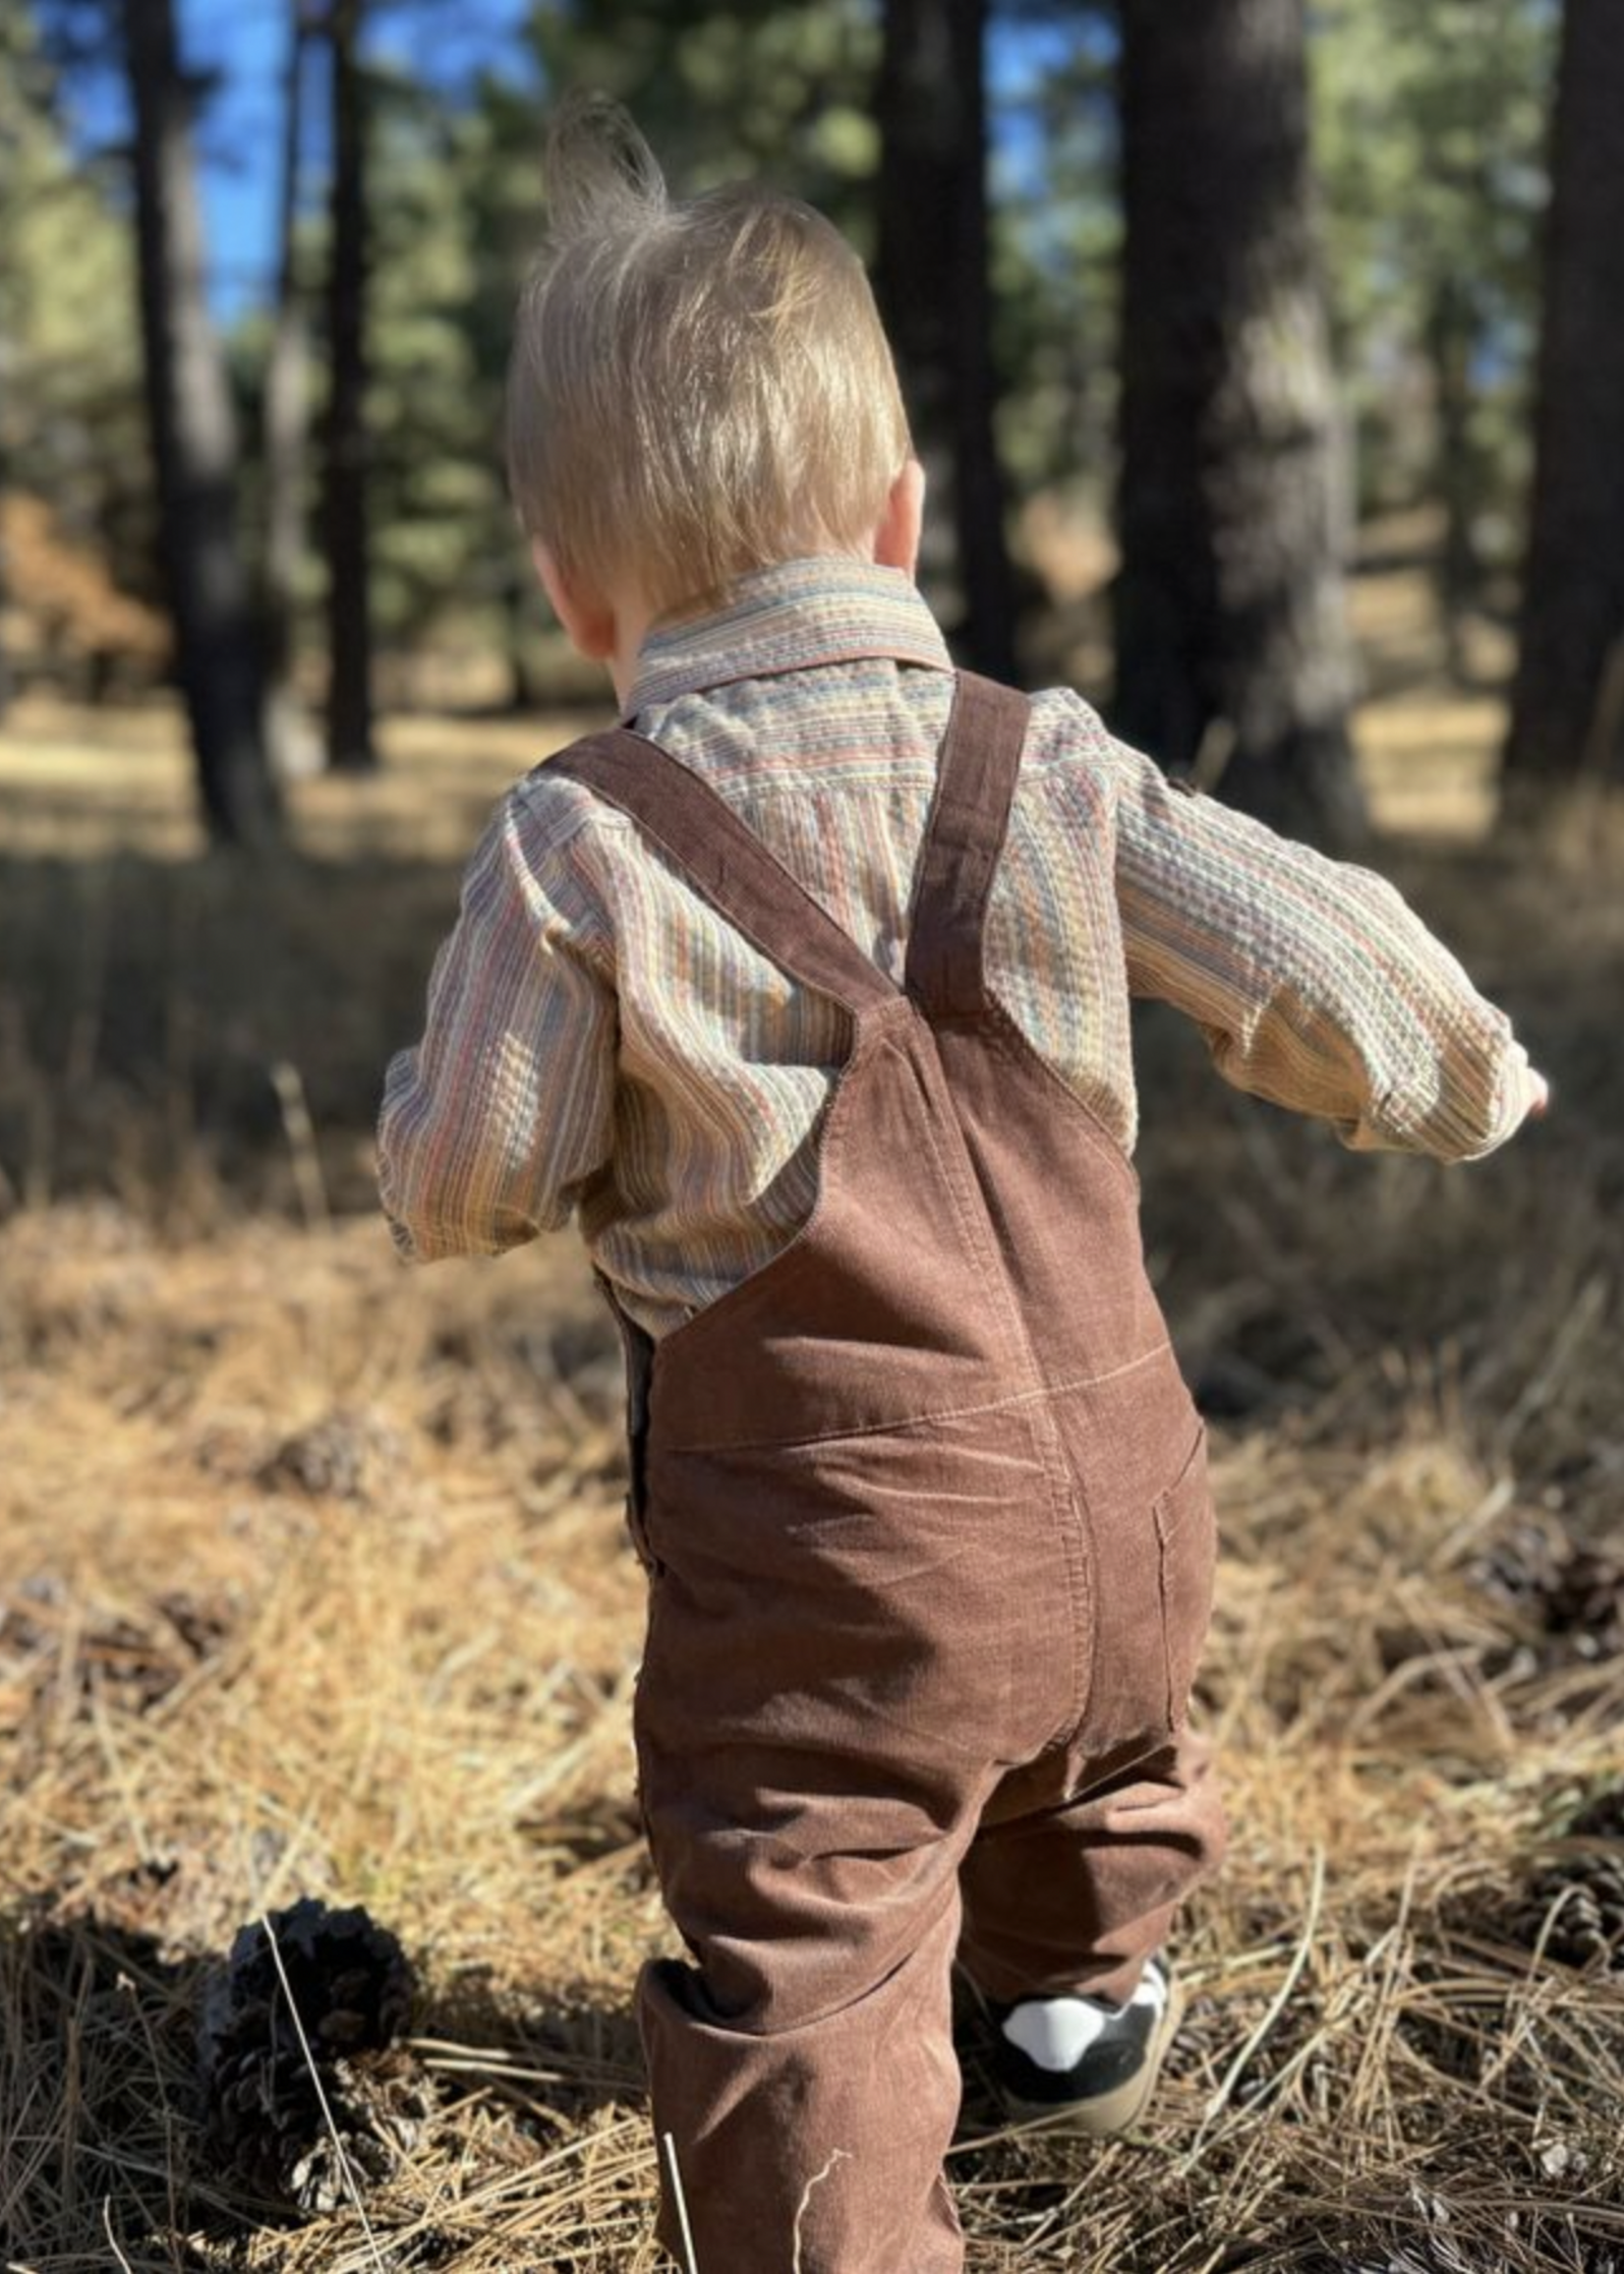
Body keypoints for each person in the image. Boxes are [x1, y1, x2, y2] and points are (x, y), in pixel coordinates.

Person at [377, 94, 1547, 2274]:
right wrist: (1461, 1072)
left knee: (811, 1897)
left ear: (566, 587)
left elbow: (467, 1171)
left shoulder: (582, 840)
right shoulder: (1050, 759)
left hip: (832, 1562)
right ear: (902, 514)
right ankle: (1071, 2016)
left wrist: (435, 1167)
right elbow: (1323, 954)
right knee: (1097, 1761)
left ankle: (842, 2223)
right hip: (1133, 1507)